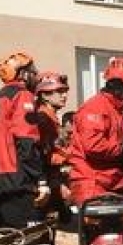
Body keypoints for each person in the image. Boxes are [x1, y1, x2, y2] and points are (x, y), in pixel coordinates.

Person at [0, 52, 50, 239]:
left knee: (6, 244)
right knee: (34, 243)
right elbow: (26, 139)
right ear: (22, 73)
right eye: (32, 71)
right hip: (19, 181)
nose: (36, 75)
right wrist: (41, 180)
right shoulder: (22, 95)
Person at [68, 57, 123, 208]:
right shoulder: (96, 108)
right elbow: (94, 146)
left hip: (111, 183)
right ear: (120, 87)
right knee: (103, 230)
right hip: (93, 184)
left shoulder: (115, 111)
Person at [35, 71, 72, 222]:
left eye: (65, 91)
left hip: (53, 179)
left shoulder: (51, 117)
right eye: (59, 91)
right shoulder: (44, 119)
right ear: (44, 95)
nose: (64, 95)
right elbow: (44, 154)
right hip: (48, 180)